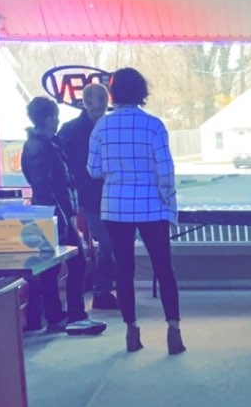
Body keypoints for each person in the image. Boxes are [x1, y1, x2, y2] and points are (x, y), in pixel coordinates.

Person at [87, 66, 185, 355]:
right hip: (152, 206)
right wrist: (167, 200)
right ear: (142, 92)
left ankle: (131, 331)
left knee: (124, 270)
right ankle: (174, 331)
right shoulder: (154, 125)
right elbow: (165, 170)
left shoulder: (101, 127)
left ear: (113, 93)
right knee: (164, 268)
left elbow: (93, 170)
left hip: (115, 206)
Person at [21, 96, 100, 336]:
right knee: (65, 265)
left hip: (58, 214)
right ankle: (66, 316)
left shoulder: (48, 144)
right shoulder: (37, 148)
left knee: (63, 266)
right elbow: (43, 188)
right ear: (48, 119)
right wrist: (60, 219)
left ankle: (67, 315)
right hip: (52, 216)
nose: (57, 121)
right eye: (55, 117)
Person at [57, 81, 117, 310]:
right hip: (87, 196)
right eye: (91, 100)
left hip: (113, 194)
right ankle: (102, 291)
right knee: (108, 242)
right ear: (84, 102)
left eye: (101, 99)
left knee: (111, 243)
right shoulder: (70, 130)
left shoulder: (112, 126)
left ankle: (105, 289)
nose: (97, 105)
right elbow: (62, 165)